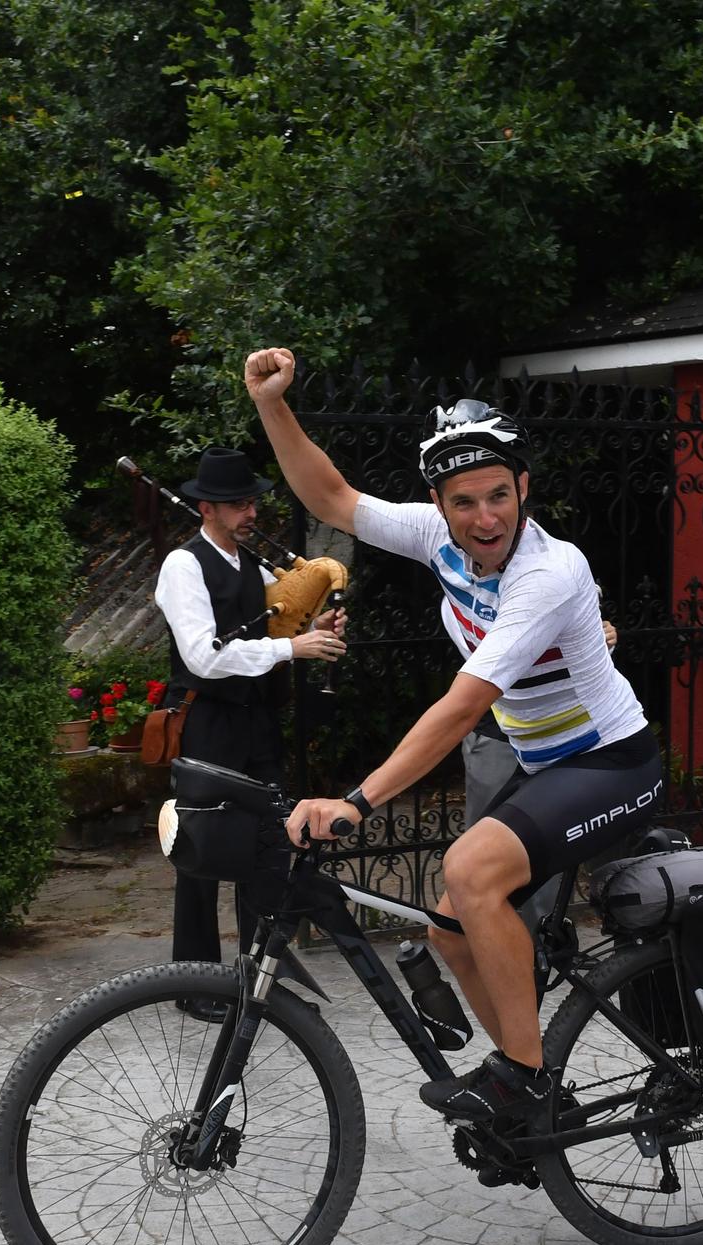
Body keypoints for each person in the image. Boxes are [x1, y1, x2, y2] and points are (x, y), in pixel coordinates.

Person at [245, 346, 662, 1122]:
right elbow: (333, 498)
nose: (485, 517)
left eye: (499, 495)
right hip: (545, 767)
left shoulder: (549, 571)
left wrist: (356, 802)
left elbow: (464, 707)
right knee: (450, 930)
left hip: (612, 761)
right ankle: (530, 1069)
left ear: (525, 487)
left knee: (470, 872)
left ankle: (526, 1081)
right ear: (439, 505)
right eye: (464, 501)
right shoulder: (440, 539)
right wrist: (271, 403)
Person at [152, 445, 346, 963]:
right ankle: (194, 977)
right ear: (206, 509)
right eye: (238, 504)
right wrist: (292, 647)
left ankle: (258, 973)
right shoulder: (183, 565)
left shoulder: (251, 565)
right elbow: (203, 657)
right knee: (201, 848)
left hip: (255, 721)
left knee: (269, 842)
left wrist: (314, 629)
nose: (251, 513)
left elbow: (279, 627)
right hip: (207, 720)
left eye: (252, 503)